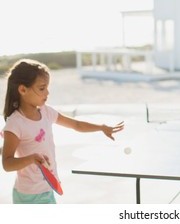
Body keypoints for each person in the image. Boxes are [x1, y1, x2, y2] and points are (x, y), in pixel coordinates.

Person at [1, 59, 125, 204]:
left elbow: (76, 124)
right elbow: (7, 164)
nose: (47, 92)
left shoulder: (46, 112)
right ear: (23, 90)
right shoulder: (15, 124)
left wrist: (101, 127)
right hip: (29, 195)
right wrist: (31, 158)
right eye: (42, 88)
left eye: (47, 87)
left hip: (47, 188)